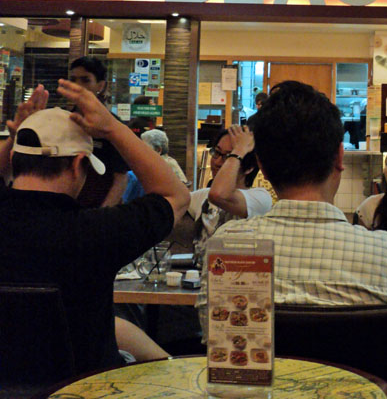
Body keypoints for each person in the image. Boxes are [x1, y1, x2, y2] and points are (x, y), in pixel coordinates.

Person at [197, 81, 387, 341]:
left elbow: (215, 335)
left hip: (261, 370)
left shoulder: (227, 248)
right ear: (339, 157)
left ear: (262, 165)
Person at [0, 79, 190, 376]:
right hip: (84, 387)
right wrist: (113, 128)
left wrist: (16, 138)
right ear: (78, 164)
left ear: (14, 158)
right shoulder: (97, 231)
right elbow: (176, 196)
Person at [189, 125, 272, 260]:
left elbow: (219, 195)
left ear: (249, 168)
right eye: (217, 153)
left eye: (228, 156)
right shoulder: (202, 195)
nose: (217, 162)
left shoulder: (260, 198)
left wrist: (239, 149)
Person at [68, 57, 129, 208]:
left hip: (98, 208)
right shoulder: (62, 120)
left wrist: (102, 214)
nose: (77, 86)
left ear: (100, 86)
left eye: (85, 80)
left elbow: (121, 178)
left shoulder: (113, 127)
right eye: (73, 80)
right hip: (64, 207)